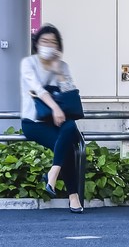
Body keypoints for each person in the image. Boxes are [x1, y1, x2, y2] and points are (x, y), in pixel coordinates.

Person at [21, 24, 85, 213]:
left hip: (58, 122)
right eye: (44, 41)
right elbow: (37, 90)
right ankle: (73, 196)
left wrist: (59, 72)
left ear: (58, 46)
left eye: (52, 42)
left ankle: (53, 173)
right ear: (37, 43)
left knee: (69, 126)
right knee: (66, 145)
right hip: (33, 122)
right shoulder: (29, 63)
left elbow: (70, 92)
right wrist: (56, 107)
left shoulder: (63, 66)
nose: (48, 45)